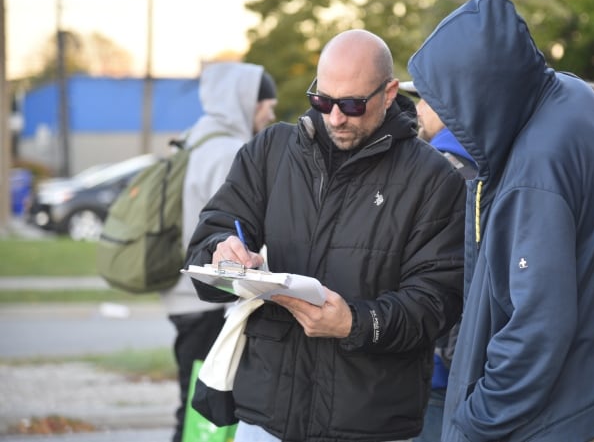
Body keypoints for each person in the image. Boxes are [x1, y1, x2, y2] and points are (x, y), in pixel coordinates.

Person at [185, 29, 466, 441]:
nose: (335, 117)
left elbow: (437, 301)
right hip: (266, 419)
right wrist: (223, 252)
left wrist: (355, 323)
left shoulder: (433, 177)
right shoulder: (272, 150)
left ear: (389, 93)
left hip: (371, 424)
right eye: (323, 101)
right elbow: (212, 233)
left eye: (352, 104)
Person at [407, 0, 594, 441]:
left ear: (479, 89)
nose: (443, 114)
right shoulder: (570, 95)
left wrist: (475, 421)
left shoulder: (535, 169)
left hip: (560, 415)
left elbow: (537, 328)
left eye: (447, 99)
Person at [161, 61, 277, 442]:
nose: (272, 115)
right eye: (267, 106)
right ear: (248, 103)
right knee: (206, 415)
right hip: (210, 301)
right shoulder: (229, 151)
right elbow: (236, 227)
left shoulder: (194, 138)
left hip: (181, 297)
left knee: (191, 401)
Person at [400, 80, 475, 442]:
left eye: (424, 101)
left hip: (436, 361)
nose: (417, 110)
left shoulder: (431, 171)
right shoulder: (495, 166)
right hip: (475, 356)